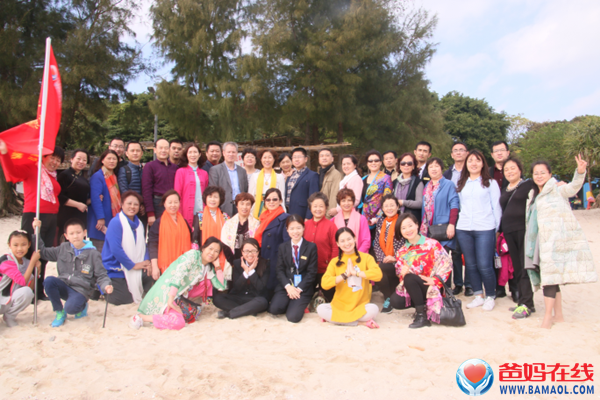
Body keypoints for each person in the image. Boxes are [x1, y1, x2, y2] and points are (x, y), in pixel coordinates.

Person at [526, 156, 597, 329]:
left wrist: (580, 172)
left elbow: (573, 187)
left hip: (556, 243)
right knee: (552, 277)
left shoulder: (558, 189)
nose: (539, 176)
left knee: (549, 279)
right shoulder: (533, 194)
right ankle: (558, 315)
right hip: (541, 242)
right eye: (536, 173)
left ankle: (547, 318)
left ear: (550, 174)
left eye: (543, 172)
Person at [0, 139, 63, 300]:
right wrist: (4, 153)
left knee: (44, 254)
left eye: (58, 160)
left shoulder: (53, 176)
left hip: (51, 218)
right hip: (35, 215)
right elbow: (12, 172)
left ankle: (39, 290)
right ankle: (28, 288)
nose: (55, 162)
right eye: (52, 158)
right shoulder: (33, 168)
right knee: (30, 253)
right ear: (44, 156)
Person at [131, 238, 227, 330]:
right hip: (170, 292)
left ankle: (167, 313)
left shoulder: (208, 268)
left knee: (192, 313)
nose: (212, 253)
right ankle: (141, 317)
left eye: (216, 251)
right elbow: (178, 275)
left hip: (180, 297)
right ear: (203, 248)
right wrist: (171, 299)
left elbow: (221, 286)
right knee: (179, 322)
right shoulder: (193, 255)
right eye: (210, 249)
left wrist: (217, 266)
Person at [35, 218, 113, 327]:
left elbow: (101, 275)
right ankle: (59, 312)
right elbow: (43, 252)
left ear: (84, 233)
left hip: (81, 290)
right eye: (71, 233)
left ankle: (82, 306)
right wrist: (37, 232)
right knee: (49, 281)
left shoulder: (93, 253)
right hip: (64, 284)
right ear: (66, 236)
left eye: (78, 232)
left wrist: (106, 285)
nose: (75, 236)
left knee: (71, 309)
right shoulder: (63, 248)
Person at [456, 150, 501, 311]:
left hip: (485, 228)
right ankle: (478, 295)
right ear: (466, 164)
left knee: (484, 264)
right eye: (470, 161)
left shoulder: (490, 183)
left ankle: (490, 295)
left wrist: (496, 228)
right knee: (470, 264)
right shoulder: (462, 183)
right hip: (464, 228)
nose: (473, 163)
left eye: (477, 160)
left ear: (483, 163)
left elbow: (496, 207)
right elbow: (460, 206)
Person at [389, 213, 452, 328]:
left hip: (431, 286)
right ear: (400, 231)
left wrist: (435, 280)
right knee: (395, 300)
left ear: (417, 225)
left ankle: (421, 316)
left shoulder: (432, 244)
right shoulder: (401, 252)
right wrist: (402, 273)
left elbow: (447, 263)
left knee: (410, 278)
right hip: (415, 287)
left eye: (410, 225)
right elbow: (400, 274)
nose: (408, 230)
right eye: (403, 228)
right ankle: (423, 307)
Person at [317, 227, 382, 328]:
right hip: (339, 306)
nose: (347, 243)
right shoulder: (335, 262)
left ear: (354, 239)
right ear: (338, 244)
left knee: (373, 309)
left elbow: (378, 275)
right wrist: (345, 275)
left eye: (349, 239)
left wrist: (356, 273)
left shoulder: (366, 258)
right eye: (342, 241)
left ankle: (336, 320)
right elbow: (324, 284)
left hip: (359, 305)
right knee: (321, 309)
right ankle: (360, 322)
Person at [102, 191, 154, 306]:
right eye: (129, 203)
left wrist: (146, 261)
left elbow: (143, 245)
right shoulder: (116, 222)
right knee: (123, 298)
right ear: (122, 204)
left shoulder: (139, 224)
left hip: (136, 263)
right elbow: (116, 249)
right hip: (117, 267)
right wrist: (133, 265)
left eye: (136, 204)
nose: (132, 207)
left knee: (150, 274)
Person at [500, 157, 535, 318]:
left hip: (524, 230)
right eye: (506, 169)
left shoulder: (528, 185)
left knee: (524, 266)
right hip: (509, 232)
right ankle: (524, 301)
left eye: (513, 168)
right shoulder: (505, 189)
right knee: (517, 267)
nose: (510, 171)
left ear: (520, 169)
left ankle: (526, 303)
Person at [268, 215, 318, 323]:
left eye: (298, 228)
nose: (295, 231)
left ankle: (297, 303)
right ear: (287, 230)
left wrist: (299, 289)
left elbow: (312, 272)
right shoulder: (283, 247)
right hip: (287, 286)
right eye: (292, 228)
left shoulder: (311, 247)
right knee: (274, 309)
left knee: (293, 317)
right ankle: (290, 301)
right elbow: (279, 270)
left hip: (303, 287)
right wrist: (288, 287)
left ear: (303, 228)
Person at [213, 239, 270, 319]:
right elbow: (236, 287)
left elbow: (261, 288)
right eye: (246, 251)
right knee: (217, 298)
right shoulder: (237, 263)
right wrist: (245, 272)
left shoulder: (265, 264)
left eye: (253, 251)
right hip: (239, 297)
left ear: (258, 252)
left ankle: (230, 313)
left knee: (263, 302)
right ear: (242, 252)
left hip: (255, 298)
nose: (250, 254)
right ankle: (249, 310)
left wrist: (251, 271)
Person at [442, 142, 471, 296]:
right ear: (452, 155)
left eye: (461, 150)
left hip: (469, 215)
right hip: (452, 216)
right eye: (455, 150)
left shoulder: (472, 171)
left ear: (467, 153)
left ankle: (470, 284)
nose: (458, 153)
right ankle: (458, 283)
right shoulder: (447, 174)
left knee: (468, 251)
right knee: (455, 252)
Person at [253, 188, 290, 299]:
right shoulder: (262, 217)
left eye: (275, 199)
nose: (271, 202)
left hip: (275, 261)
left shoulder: (285, 218)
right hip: (263, 260)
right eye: (268, 200)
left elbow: (287, 244)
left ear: (281, 201)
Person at [420, 158, 459, 260]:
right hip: (429, 229)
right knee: (431, 261)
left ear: (441, 168)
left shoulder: (448, 184)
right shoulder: (427, 186)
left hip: (443, 228)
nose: (434, 169)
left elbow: (454, 205)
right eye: (431, 167)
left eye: (436, 166)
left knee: (443, 261)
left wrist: (451, 224)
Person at [192, 186, 232, 286]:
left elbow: (229, 238)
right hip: (204, 254)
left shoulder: (225, 217)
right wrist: (198, 256)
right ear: (205, 198)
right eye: (210, 196)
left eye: (215, 197)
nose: (212, 199)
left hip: (221, 254)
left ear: (220, 199)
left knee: (220, 284)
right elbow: (195, 238)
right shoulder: (199, 216)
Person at [148, 190, 192, 279]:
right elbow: (152, 245)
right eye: (170, 202)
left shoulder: (184, 222)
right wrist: (154, 266)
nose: (173, 205)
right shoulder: (158, 223)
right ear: (164, 204)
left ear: (179, 203)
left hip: (184, 266)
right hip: (166, 267)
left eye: (176, 202)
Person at [372, 194, 405, 313]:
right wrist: (384, 258)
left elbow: (408, 245)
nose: (389, 208)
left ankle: (390, 298)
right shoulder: (381, 221)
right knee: (377, 270)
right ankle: (389, 297)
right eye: (386, 206)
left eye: (392, 205)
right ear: (382, 208)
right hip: (385, 259)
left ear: (397, 206)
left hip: (400, 260)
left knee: (381, 268)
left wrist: (395, 257)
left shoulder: (403, 221)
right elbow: (376, 243)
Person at [0, 231, 41, 327]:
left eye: (23, 245)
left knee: (27, 292)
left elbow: (29, 287)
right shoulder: (6, 260)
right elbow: (22, 281)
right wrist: (32, 262)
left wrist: (37, 271)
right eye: (15, 245)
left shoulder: (26, 262)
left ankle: (9, 316)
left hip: (9, 301)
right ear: (9, 245)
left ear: (29, 245)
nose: (19, 248)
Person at [304, 192, 338, 302]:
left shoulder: (331, 226)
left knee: (329, 299)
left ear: (326, 207)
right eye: (315, 206)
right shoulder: (305, 225)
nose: (318, 209)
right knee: (306, 298)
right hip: (307, 270)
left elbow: (335, 247)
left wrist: (331, 267)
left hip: (325, 269)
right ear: (310, 208)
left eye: (321, 206)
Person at [88, 149, 122, 252]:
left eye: (114, 159)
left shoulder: (114, 177)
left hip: (112, 217)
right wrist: (100, 218)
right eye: (109, 158)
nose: (112, 161)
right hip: (101, 220)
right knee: (100, 251)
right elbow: (95, 199)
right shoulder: (98, 176)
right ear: (102, 160)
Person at [142, 138, 180, 226]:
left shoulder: (175, 167)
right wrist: (150, 213)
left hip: (173, 204)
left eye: (166, 148)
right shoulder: (150, 166)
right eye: (160, 148)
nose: (163, 150)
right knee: (158, 231)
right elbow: (146, 190)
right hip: (157, 204)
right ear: (155, 150)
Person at [221, 193, 260, 273]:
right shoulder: (228, 224)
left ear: (251, 206)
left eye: (248, 204)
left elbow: (259, 245)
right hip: (233, 262)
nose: (244, 207)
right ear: (237, 205)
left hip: (252, 263)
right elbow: (225, 245)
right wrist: (234, 263)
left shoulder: (257, 224)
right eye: (242, 204)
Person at [57, 148, 90, 240]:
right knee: (66, 242)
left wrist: (94, 199)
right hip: (66, 215)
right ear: (71, 159)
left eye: (84, 160)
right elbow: (59, 196)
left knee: (80, 242)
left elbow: (83, 199)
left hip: (80, 216)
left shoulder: (83, 178)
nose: (81, 162)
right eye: (78, 158)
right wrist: (78, 205)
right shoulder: (64, 175)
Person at [209, 142, 248, 216]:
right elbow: (213, 191)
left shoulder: (242, 171)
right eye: (228, 152)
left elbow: (245, 190)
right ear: (223, 153)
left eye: (233, 152)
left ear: (236, 153)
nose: (231, 154)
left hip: (240, 207)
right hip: (223, 207)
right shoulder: (215, 170)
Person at [174, 143, 209, 227]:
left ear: (199, 155)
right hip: (185, 210)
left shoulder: (204, 173)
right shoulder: (180, 172)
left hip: (202, 210)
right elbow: (177, 194)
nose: (193, 155)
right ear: (186, 155)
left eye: (195, 152)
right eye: (190, 152)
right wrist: (178, 212)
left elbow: (206, 193)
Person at [361, 149, 393, 232]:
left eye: (376, 160)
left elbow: (387, 200)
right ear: (367, 163)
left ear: (380, 162)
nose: (373, 163)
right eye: (370, 161)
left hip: (378, 218)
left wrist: (378, 217)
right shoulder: (363, 179)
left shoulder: (386, 178)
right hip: (363, 216)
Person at [249, 149, 286, 218]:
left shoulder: (279, 177)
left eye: (269, 157)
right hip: (257, 207)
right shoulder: (254, 176)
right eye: (264, 157)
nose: (267, 160)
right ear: (261, 159)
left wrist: (284, 212)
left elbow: (282, 196)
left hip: (273, 206)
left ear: (274, 160)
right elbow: (250, 195)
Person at [285, 147, 319, 219]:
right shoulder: (290, 175)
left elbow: (313, 199)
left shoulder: (312, 175)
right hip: (287, 213)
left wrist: (308, 217)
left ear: (306, 159)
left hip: (301, 213)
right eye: (294, 157)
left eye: (299, 157)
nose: (296, 159)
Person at [332, 189, 371, 253]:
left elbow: (366, 241)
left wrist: (357, 255)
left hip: (359, 255)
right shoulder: (333, 221)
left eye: (349, 200)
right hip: (340, 256)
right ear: (339, 203)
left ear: (353, 202)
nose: (346, 203)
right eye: (343, 201)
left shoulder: (361, 219)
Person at [393, 152, 423, 225]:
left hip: (411, 221)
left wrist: (403, 202)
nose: (406, 165)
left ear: (413, 166)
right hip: (396, 220)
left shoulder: (418, 182)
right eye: (403, 163)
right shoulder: (395, 182)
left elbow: (420, 203)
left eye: (409, 163)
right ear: (399, 165)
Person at [318, 148, 343, 218]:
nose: (324, 158)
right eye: (321, 156)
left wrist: (328, 216)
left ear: (332, 159)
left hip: (328, 215)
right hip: (319, 212)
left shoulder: (336, 174)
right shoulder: (319, 173)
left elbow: (334, 196)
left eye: (327, 155)